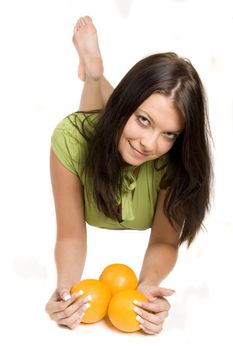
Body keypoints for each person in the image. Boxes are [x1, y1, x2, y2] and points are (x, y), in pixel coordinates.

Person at [45, 16, 212, 335]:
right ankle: (94, 74)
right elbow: (70, 234)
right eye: (145, 120)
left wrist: (148, 286)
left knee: (116, 126)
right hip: (98, 132)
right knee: (94, 126)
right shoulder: (70, 139)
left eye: (169, 134)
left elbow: (165, 239)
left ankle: (96, 76)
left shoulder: (177, 163)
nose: (150, 144)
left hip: (117, 117)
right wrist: (67, 290)